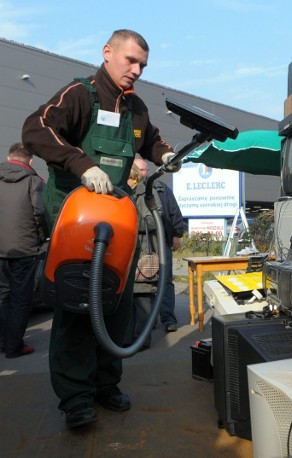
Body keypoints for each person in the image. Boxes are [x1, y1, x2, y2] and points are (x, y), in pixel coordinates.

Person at [22, 29, 180, 429]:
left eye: (142, 64)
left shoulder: (136, 109)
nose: (137, 70)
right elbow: (36, 129)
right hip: (78, 224)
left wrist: (166, 154)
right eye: (130, 60)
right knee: (78, 305)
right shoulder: (79, 95)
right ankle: (76, 397)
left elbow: (153, 142)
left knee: (116, 304)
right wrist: (81, 164)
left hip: (119, 224)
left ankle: (107, 384)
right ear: (107, 52)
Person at [0, 143, 47, 359]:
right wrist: (39, 238)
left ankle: (3, 342)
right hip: (25, 249)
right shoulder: (33, 181)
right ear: (30, 160)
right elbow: (39, 213)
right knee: (21, 299)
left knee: (3, 295)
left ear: (9, 158)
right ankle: (13, 346)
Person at [133, 157, 184, 333]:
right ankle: (149, 320)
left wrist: (177, 234)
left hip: (162, 242)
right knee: (145, 282)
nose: (143, 173)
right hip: (141, 245)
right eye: (139, 170)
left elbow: (174, 211)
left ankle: (168, 318)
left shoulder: (161, 188)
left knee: (165, 280)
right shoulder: (130, 190)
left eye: (145, 170)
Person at [127, 163, 160, 349]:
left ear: (133, 177)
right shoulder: (124, 192)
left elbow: (153, 221)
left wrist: (128, 217)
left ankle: (141, 340)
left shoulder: (147, 193)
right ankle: (127, 338)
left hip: (143, 254)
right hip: (127, 255)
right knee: (128, 301)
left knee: (142, 300)